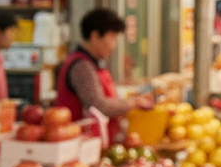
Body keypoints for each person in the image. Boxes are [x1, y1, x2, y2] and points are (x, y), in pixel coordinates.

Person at [56, 8, 153, 143]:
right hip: (81, 145)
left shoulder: (93, 63)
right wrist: (132, 103)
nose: (114, 46)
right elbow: (99, 106)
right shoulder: (81, 66)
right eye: (112, 38)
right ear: (95, 36)